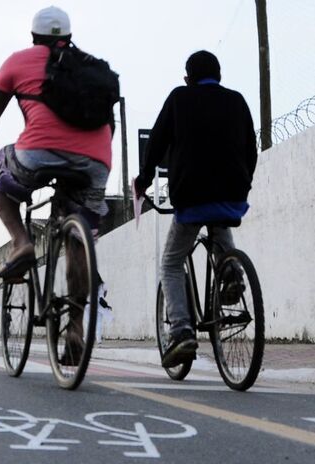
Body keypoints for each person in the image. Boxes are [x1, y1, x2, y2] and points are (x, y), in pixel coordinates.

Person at [0, 6, 113, 361]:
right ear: (69, 35)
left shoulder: (19, 61)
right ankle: (75, 331)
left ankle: (21, 243)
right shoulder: (93, 67)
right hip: (96, 160)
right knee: (78, 242)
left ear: (34, 37)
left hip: (38, 153)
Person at [135, 50, 257, 368]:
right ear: (219, 74)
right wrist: (243, 183)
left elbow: (158, 142)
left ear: (188, 78)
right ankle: (230, 272)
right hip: (233, 194)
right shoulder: (237, 100)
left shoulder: (180, 98)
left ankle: (181, 330)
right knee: (219, 222)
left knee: (171, 264)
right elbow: (250, 148)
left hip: (191, 197)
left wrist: (143, 179)